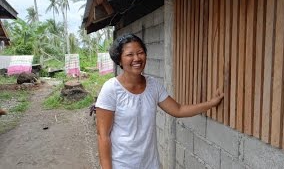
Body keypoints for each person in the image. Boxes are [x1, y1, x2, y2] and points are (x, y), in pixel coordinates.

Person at [95, 33, 224, 169]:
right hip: (122, 164)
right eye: (130, 55)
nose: (137, 58)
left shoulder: (153, 85)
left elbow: (178, 110)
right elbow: (103, 135)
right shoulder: (111, 89)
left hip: (150, 164)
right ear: (119, 60)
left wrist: (211, 103)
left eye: (140, 52)